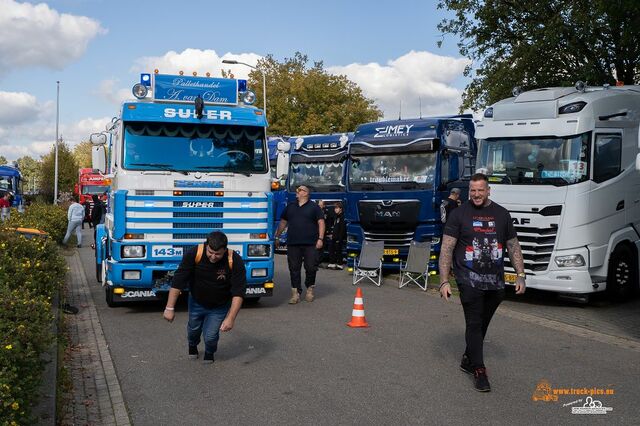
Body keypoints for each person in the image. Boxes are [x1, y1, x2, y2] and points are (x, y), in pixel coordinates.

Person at [438, 173, 526, 392]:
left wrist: (521, 274)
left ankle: (468, 357)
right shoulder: (459, 214)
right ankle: (479, 369)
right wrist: (443, 281)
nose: (476, 194)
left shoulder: (502, 214)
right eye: (473, 190)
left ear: (488, 191)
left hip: (495, 282)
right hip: (468, 279)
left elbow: (513, 245)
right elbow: (447, 248)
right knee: (474, 322)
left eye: (480, 190)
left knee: (482, 324)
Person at [163, 231, 246, 363]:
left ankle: (209, 352)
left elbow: (238, 292)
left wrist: (231, 318)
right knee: (193, 330)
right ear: (206, 245)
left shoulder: (234, 260)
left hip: (219, 305)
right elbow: (179, 280)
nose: (213, 257)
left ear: (225, 250)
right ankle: (192, 344)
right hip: (197, 301)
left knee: (211, 336)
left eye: (217, 254)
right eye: (210, 252)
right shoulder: (194, 253)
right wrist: (169, 307)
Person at [275, 185, 325, 304]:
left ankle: (309, 289)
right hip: (293, 243)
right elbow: (283, 222)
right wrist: (277, 236)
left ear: (306, 193)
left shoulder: (314, 207)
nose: (297, 191)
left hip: (311, 244)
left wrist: (320, 238)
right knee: (294, 268)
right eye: (297, 190)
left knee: (311, 267)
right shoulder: (290, 206)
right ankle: (295, 293)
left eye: (300, 190)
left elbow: (321, 222)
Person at [327, 202, 346, 270]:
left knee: (338, 250)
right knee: (331, 249)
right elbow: (335, 227)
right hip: (334, 236)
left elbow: (342, 229)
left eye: (337, 208)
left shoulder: (342, 217)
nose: (335, 209)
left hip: (339, 237)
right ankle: (332, 263)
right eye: (335, 208)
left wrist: (339, 239)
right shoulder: (336, 216)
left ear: (340, 209)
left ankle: (340, 264)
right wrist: (332, 234)